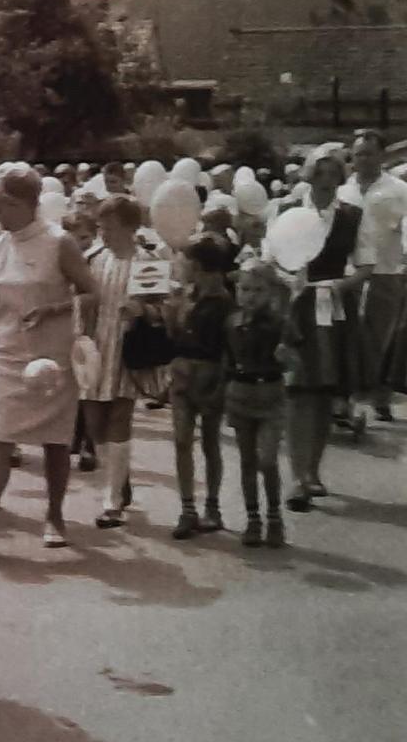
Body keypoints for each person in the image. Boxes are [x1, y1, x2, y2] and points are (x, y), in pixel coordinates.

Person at [0, 164, 96, 553]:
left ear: (25, 203)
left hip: (53, 358)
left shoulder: (60, 242)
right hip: (7, 354)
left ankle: (54, 515)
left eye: (1, 207)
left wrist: (54, 309)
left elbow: (92, 292)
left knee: (55, 442)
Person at [284, 146, 370, 510]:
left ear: (340, 177)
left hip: (332, 307)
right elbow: (268, 259)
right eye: (319, 174)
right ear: (308, 176)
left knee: (322, 392)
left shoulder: (352, 217)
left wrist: (338, 286)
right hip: (295, 305)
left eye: (333, 174)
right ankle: (297, 476)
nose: (325, 181)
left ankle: (312, 471)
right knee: (297, 391)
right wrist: (290, 281)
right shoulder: (287, 211)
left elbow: (365, 267)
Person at [78, 195, 162, 529]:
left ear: (130, 227)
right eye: (100, 227)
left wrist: (145, 310)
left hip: (129, 352)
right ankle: (119, 477)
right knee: (94, 422)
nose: (104, 233)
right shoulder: (93, 258)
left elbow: (165, 310)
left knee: (119, 419)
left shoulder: (148, 261)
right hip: (94, 350)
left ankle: (111, 503)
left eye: (110, 227)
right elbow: (80, 300)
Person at [165, 235, 233, 539]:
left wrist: (221, 384)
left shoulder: (225, 303)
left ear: (201, 266)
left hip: (209, 375)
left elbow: (228, 348)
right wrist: (171, 318)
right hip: (182, 375)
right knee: (181, 441)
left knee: (209, 443)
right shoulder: (188, 298)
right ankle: (187, 507)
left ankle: (213, 506)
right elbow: (175, 338)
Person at [226, 260, 296, 547]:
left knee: (267, 460)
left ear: (270, 292)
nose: (250, 296)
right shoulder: (232, 322)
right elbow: (227, 361)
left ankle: (274, 515)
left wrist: (285, 356)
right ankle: (253, 519)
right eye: (244, 289)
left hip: (270, 394)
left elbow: (295, 361)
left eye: (257, 289)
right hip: (240, 394)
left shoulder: (281, 324)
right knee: (246, 460)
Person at [342, 130, 407, 420]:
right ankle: (353, 396)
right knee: (350, 333)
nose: (363, 160)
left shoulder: (399, 190)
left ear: (381, 155)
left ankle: (379, 394)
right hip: (349, 273)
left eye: (368, 153)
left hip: (385, 271)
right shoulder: (344, 189)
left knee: (380, 335)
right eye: (358, 154)